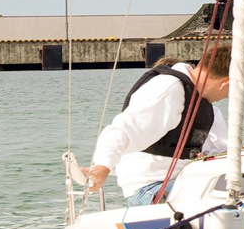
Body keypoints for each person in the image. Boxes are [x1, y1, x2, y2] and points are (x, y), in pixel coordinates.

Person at [87, 45, 232, 206]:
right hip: (151, 188)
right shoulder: (169, 89)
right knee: (229, 199)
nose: (227, 96)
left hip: (181, 179)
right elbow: (124, 128)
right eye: (231, 91)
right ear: (225, 84)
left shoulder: (198, 100)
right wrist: (103, 165)